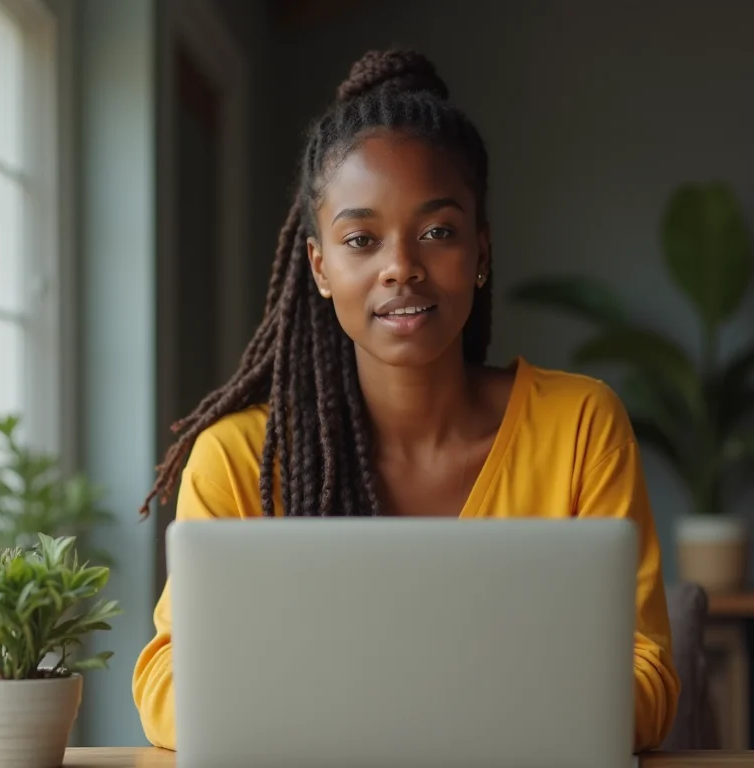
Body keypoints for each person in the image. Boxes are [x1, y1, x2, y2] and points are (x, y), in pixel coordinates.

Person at [132, 48, 679, 753]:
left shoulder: (578, 426)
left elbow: (646, 682)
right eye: (361, 239)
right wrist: (474, 701)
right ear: (320, 267)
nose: (401, 267)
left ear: (481, 251)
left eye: (438, 232)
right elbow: (169, 688)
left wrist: (351, 704)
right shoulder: (238, 460)